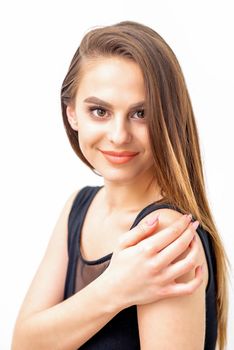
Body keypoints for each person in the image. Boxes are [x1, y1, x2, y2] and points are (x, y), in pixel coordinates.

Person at [12, 20, 228, 350]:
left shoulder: (164, 235)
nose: (118, 135)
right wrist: (115, 288)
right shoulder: (79, 207)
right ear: (72, 114)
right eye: (99, 111)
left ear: (167, 118)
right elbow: (24, 343)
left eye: (141, 113)